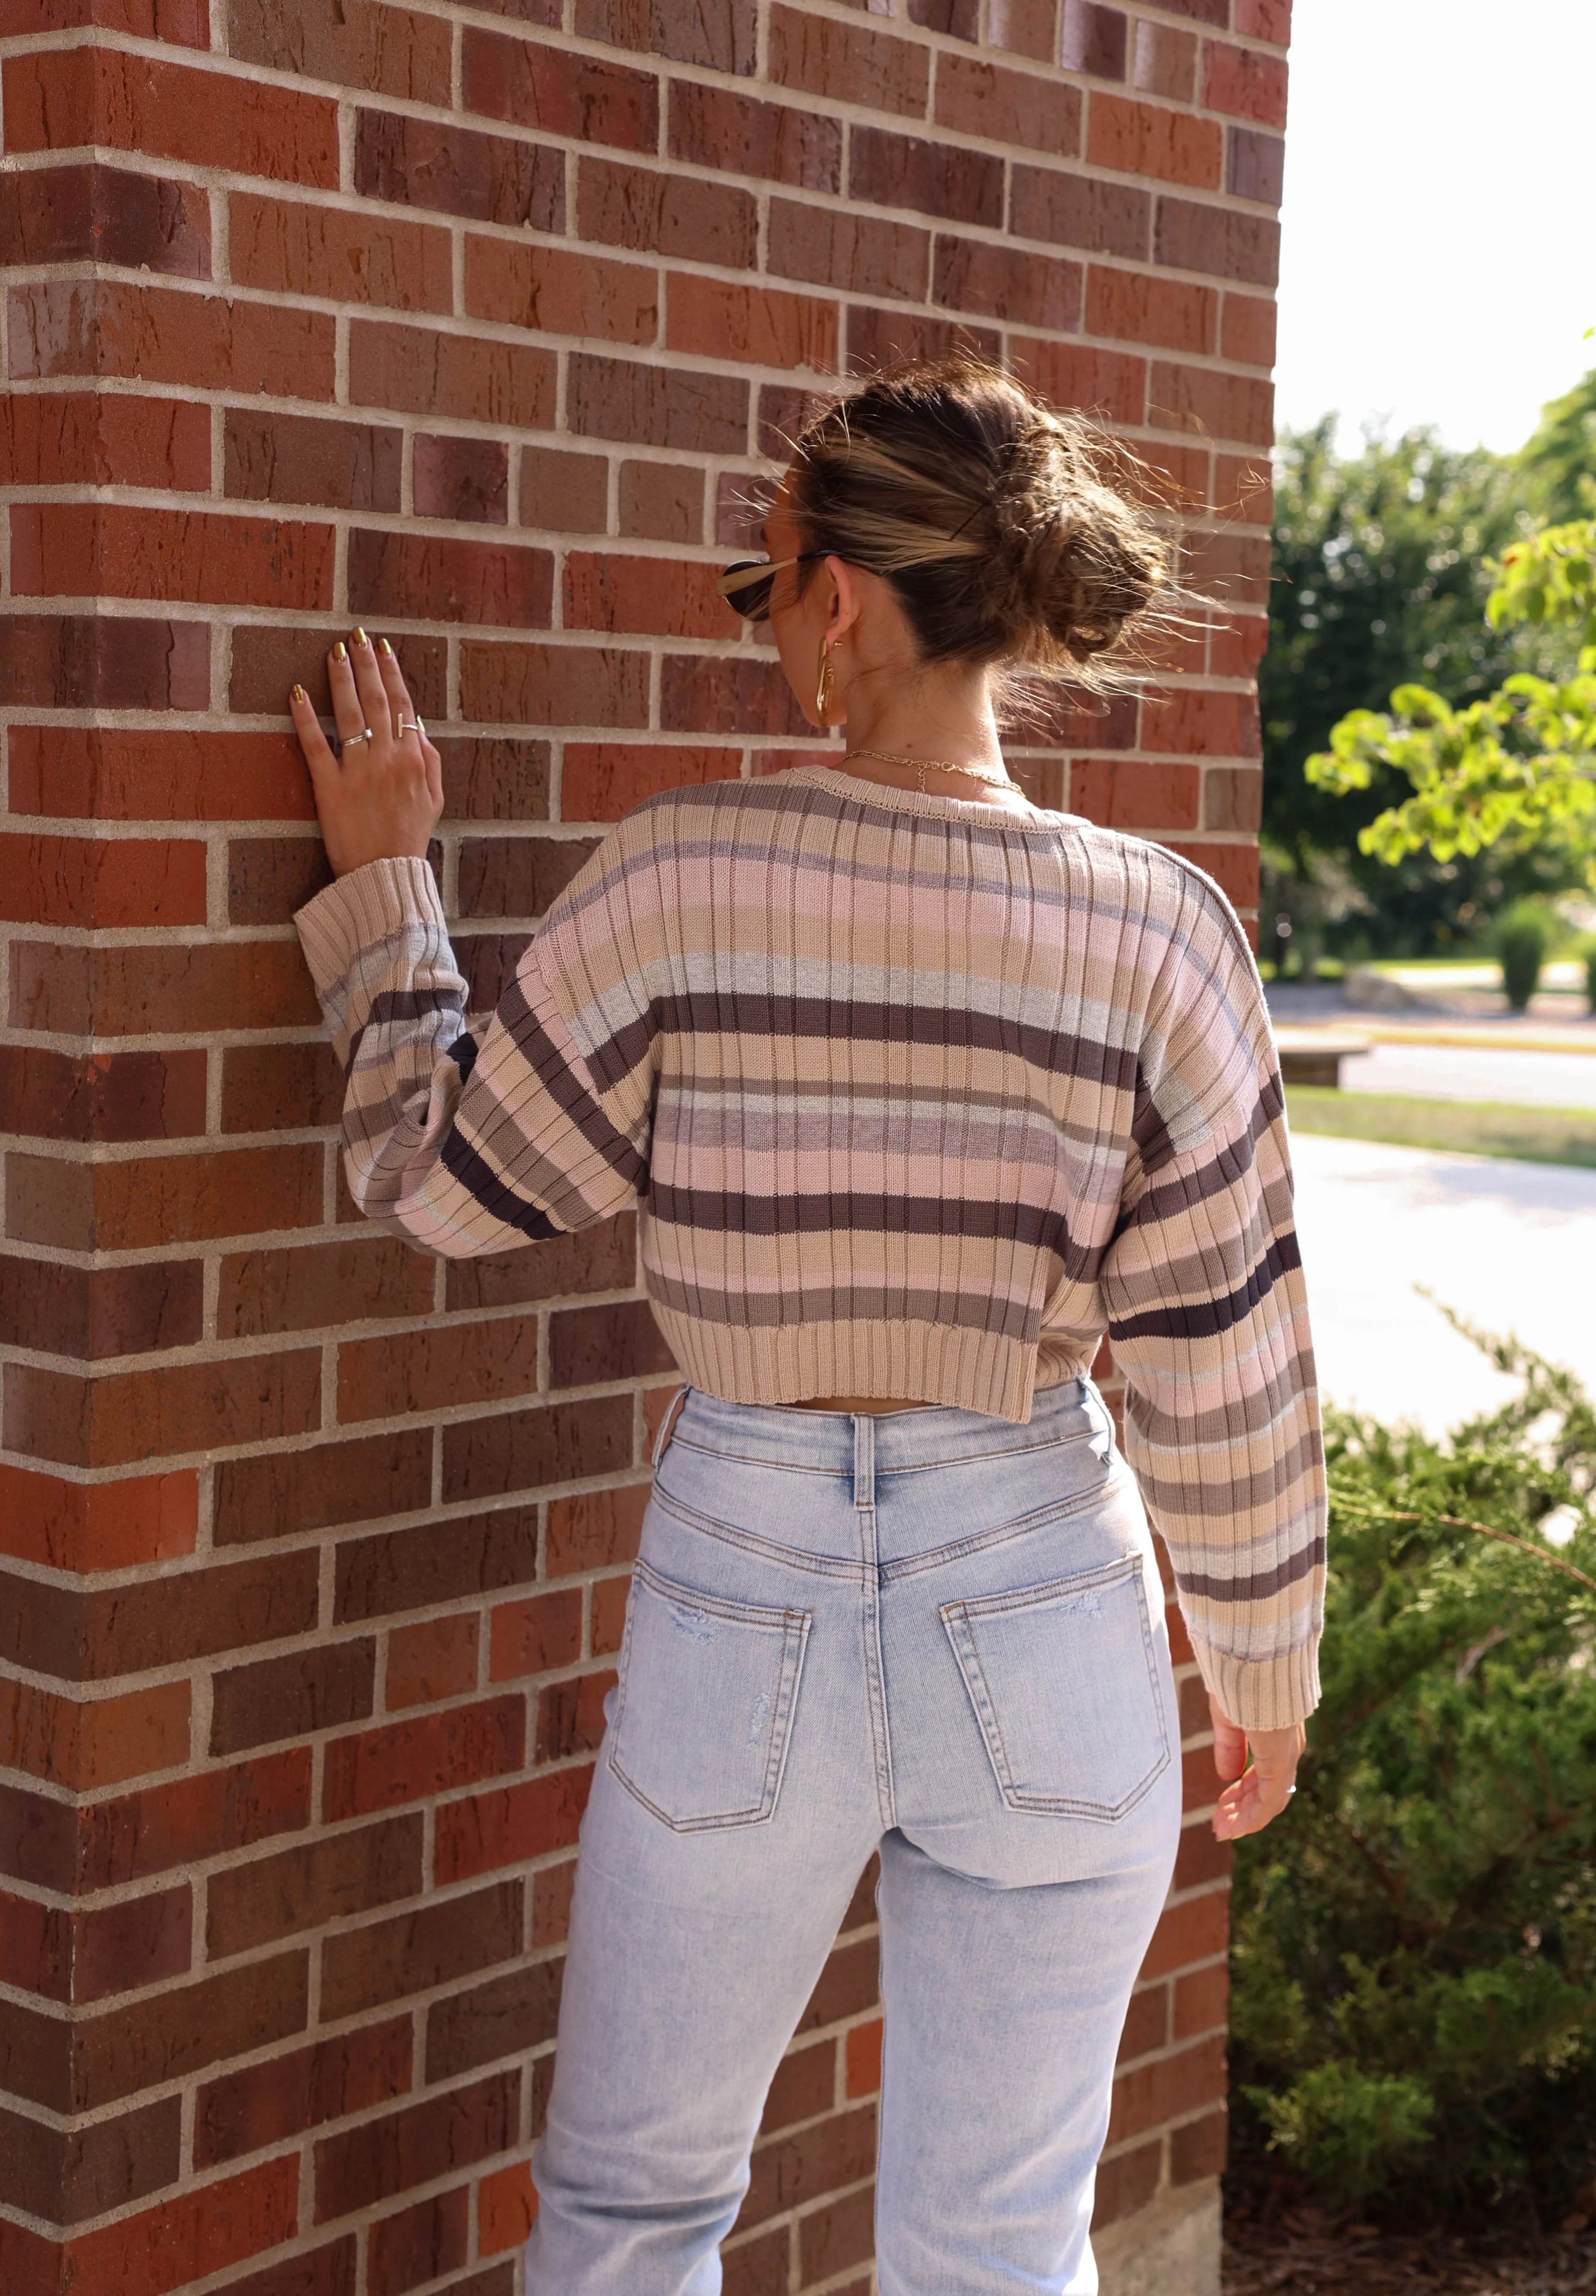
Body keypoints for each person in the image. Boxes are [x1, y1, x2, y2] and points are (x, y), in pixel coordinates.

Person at [287, 356, 1324, 2296]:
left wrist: (388, 898)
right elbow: (1226, 1341)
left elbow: (443, 1177)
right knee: (1001, 2245)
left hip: (740, 1587)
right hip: (1045, 1581)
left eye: (765, 591)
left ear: (841, 598)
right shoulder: (1161, 928)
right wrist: (1266, 1651)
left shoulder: (694, 874)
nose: (768, 638)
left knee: (633, 2220)